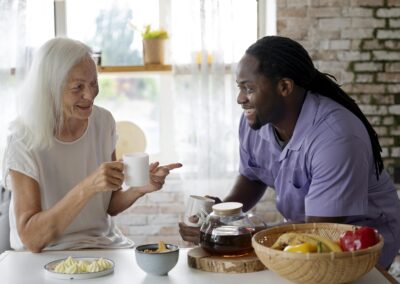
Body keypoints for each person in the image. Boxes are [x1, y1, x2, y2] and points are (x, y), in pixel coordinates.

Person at [179, 36, 400, 269]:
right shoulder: (256, 120)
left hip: (358, 244)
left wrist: (237, 232)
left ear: (284, 87)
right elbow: (253, 176)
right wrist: (217, 217)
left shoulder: (336, 137)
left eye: (249, 88)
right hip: (303, 237)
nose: (240, 99)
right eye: (239, 87)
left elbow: (319, 232)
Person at [2, 37, 182, 252]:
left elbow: (109, 206)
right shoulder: (23, 138)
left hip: (103, 248)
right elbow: (32, 239)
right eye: (77, 87)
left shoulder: (103, 122)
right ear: (49, 88)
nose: (90, 95)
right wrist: (89, 186)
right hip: (47, 255)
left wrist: (139, 189)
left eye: (93, 83)